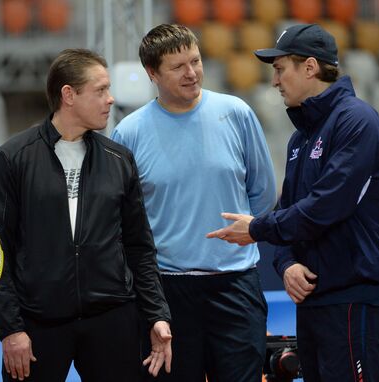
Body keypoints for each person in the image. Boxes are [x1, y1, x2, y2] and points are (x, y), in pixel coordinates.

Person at [207, 23, 379, 381]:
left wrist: (256, 229)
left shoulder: (358, 122)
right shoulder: (301, 138)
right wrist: (286, 264)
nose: (274, 81)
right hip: (313, 300)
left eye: (279, 69)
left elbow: (326, 206)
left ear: (310, 67)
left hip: (353, 298)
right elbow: (288, 211)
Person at [0, 48, 172, 382]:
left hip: (112, 320)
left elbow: (140, 247)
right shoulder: (12, 159)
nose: (111, 99)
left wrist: (157, 314)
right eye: (100, 90)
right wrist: (10, 329)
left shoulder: (119, 159)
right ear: (68, 95)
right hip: (37, 325)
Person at [111, 24, 277, 382]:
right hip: (166, 293)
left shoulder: (237, 113)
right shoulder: (129, 133)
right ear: (152, 73)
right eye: (178, 66)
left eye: (196, 61)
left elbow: (263, 193)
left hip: (237, 285)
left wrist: (247, 232)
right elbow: (122, 221)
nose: (192, 73)